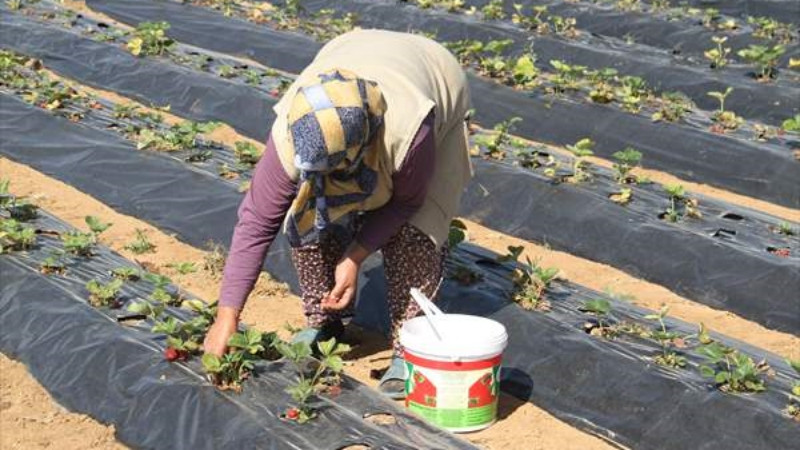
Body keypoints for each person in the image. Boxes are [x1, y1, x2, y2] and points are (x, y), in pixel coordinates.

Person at [203, 29, 472, 398]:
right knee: (308, 210)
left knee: (415, 230)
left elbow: (408, 202)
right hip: (351, 51)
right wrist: (226, 317)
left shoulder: (410, 132)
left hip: (431, 73)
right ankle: (326, 322)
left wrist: (356, 254)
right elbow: (256, 222)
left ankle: (410, 345)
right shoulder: (292, 132)